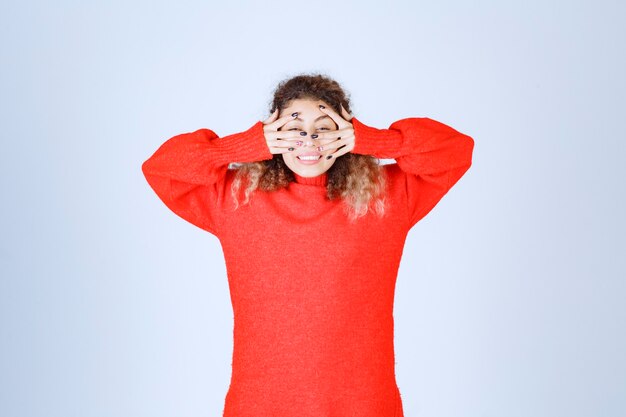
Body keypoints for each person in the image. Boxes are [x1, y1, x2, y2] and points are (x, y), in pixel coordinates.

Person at [141, 73, 474, 417]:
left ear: (347, 133)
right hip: (260, 404)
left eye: (324, 126)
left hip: (363, 403)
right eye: (294, 126)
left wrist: (376, 141)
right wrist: (242, 145)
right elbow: (161, 169)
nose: (309, 138)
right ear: (273, 135)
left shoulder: (385, 198)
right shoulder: (236, 198)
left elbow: (456, 150)